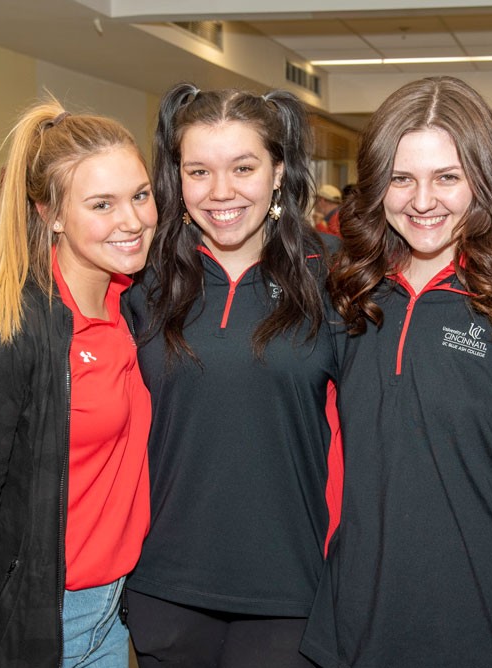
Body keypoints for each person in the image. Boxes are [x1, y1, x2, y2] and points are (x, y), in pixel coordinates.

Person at [300, 76, 492, 668]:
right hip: (358, 627)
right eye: (402, 178)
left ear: (482, 180)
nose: (422, 201)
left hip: (491, 631)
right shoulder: (353, 296)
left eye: (447, 178)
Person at [0, 100, 156, 667]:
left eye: (140, 195)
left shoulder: (132, 308)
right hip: (21, 625)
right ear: (51, 214)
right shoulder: (1, 331)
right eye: (102, 204)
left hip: (110, 621)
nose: (133, 220)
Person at [123, 83, 341, 668]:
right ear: (177, 178)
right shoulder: (142, 281)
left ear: (278, 172)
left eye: (243, 167)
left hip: (291, 591)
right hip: (165, 588)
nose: (221, 192)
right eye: (199, 171)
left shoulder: (335, 276)